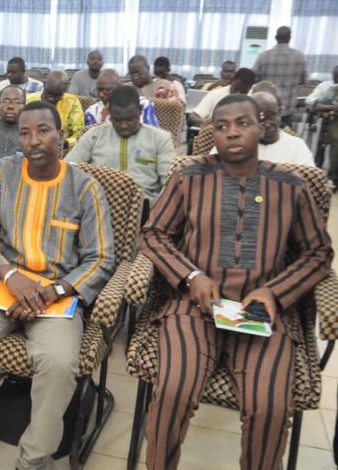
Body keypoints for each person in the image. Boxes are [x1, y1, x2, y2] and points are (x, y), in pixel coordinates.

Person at [141, 93, 333, 470]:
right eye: (221, 126)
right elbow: (154, 234)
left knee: (269, 408)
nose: (231, 133)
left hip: (260, 312)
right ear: (211, 133)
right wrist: (191, 276)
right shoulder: (189, 177)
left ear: (261, 127)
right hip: (194, 307)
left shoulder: (291, 186)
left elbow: (318, 252)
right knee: (173, 392)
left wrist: (274, 292)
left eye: (242, 124)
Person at [0, 100, 115, 470]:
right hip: (3, 284)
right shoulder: (0, 173)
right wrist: (10, 275)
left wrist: (53, 291)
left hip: (56, 296)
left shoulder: (85, 187)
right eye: (24, 132)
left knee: (59, 363)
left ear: (61, 136)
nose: (33, 140)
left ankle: (33, 460)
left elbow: (100, 257)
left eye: (43, 131)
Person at [67, 86, 174, 204]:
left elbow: (169, 183)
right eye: (117, 120)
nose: (123, 125)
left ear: (140, 110)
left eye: (129, 120)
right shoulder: (94, 136)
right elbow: (68, 170)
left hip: (146, 206)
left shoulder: (160, 139)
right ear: (110, 113)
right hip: (100, 205)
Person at [253, 26, 308, 127]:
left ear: (276, 37)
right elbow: (304, 81)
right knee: (285, 135)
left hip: (266, 108)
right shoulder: (300, 57)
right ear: (289, 38)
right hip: (288, 108)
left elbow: (254, 78)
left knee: (263, 133)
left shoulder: (264, 56)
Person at [26, 71, 84, 148]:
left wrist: (67, 143)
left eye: (57, 95)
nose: (51, 99)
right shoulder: (29, 100)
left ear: (65, 91)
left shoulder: (72, 102)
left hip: (62, 148)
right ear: (44, 84)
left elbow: (79, 132)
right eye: (49, 93)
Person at [84, 69, 159, 127]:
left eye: (107, 90)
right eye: (99, 90)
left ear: (119, 87)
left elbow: (153, 134)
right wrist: (103, 119)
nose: (101, 95)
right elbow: (92, 139)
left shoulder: (143, 104)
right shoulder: (92, 112)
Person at [188, 68, 256, 128]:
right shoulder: (215, 94)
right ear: (232, 81)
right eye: (236, 89)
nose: (238, 94)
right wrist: (215, 126)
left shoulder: (253, 99)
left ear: (250, 88)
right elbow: (193, 117)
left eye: (243, 92)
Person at [305, 65, 338, 182]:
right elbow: (309, 100)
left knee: (335, 152)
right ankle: (317, 172)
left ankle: (333, 176)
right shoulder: (325, 86)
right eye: (335, 76)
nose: (336, 79)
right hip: (325, 121)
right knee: (319, 149)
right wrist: (330, 107)